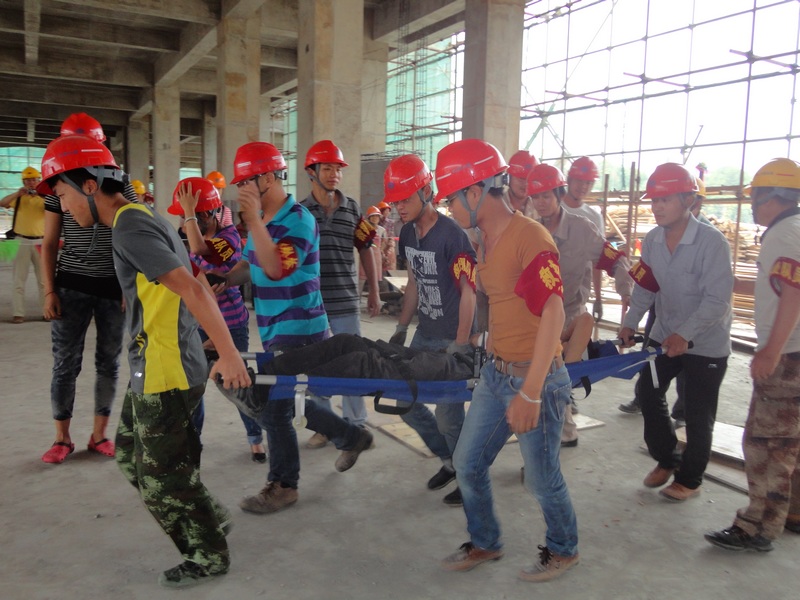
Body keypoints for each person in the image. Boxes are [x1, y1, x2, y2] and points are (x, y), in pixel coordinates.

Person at [39, 133, 251, 588]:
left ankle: (208, 553)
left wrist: (229, 353)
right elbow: (191, 277)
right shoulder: (138, 218)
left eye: (63, 195)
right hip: (152, 363)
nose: (64, 208)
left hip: (166, 369)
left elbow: (192, 288)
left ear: (90, 185)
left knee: (161, 479)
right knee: (130, 455)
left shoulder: (130, 226)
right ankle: (208, 517)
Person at [434, 139, 579, 582]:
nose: (449, 209)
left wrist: (531, 392)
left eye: (451, 199)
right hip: (495, 375)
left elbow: (554, 312)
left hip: (536, 380)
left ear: (474, 192)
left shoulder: (529, 237)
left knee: (540, 478)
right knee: (467, 463)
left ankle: (563, 549)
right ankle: (485, 540)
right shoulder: (483, 240)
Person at [223, 141, 374, 514]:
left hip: (300, 328)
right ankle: (350, 436)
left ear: (267, 178)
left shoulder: (299, 220)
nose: (240, 190)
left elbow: (276, 267)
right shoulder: (263, 221)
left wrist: (253, 220)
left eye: (245, 182)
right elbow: (251, 264)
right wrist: (221, 282)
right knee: (288, 401)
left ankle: (284, 485)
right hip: (273, 326)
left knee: (274, 407)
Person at [619, 162, 733, 502]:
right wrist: (630, 321)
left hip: (705, 343)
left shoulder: (712, 243)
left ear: (688, 200)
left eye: (665, 200)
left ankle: (691, 479)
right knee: (648, 392)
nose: (657, 207)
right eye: (654, 200)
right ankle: (668, 457)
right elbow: (646, 287)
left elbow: (717, 301)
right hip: (664, 334)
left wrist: (685, 334)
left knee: (698, 413)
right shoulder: (652, 240)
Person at [705, 158, 800, 552]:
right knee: (788, 443)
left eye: (755, 196)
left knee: (765, 446)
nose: (751, 204)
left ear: (771, 196)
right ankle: (787, 515)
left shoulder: (783, 235)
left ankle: (758, 526)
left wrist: (771, 351)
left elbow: (794, 293)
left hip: (789, 357)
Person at [38, 113, 135, 464]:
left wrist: (128, 286)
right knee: (65, 362)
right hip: (72, 285)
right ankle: (62, 439)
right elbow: (50, 241)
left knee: (109, 362)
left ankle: (99, 435)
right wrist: (50, 291)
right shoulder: (58, 185)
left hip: (112, 287)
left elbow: (130, 233)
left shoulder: (120, 182)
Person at [384, 154, 477, 506]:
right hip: (425, 332)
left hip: (453, 336)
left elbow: (469, 292)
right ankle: (450, 460)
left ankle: (469, 479)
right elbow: (413, 282)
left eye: (405, 199)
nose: (399, 207)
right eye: (395, 201)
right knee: (405, 402)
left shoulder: (453, 236)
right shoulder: (408, 233)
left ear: (426, 191)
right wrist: (401, 327)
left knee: (449, 416)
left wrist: (461, 342)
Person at [527, 163, 633, 447]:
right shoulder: (529, 229)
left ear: (559, 194)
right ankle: (562, 431)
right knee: (543, 378)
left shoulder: (582, 229)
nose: (541, 203)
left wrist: (626, 292)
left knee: (553, 375)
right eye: (535, 197)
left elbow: (616, 259)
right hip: (536, 317)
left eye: (546, 196)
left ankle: (559, 434)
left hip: (570, 315)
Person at [168, 176, 267, 463]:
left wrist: (189, 212)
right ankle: (193, 440)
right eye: (184, 217)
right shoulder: (186, 236)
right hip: (197, 325)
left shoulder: (229, 238)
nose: (185, 224)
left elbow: (201, 249)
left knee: (238, 383)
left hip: (230, 324)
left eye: (189, 216)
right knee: (193, 386)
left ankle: (255, 439)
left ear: (206, 214)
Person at [300, 139, 380, 446]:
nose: (334, 174)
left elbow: (366, 248)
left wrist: (373, 291)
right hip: (313, 305)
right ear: (312, 171)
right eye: (327, 168)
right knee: (318, 367)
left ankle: (355, 423)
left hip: (346, 302)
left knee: (353, 364)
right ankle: (326, 426)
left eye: (338, 169)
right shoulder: (301, 212)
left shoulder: (353, 209)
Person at [564, 156, 605, 322]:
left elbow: (598, 260)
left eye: (588, 183)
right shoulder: (553, 208)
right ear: (569, 180)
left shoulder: (594, 217)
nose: (583, 187)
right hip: (549, 287)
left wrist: (598, 298)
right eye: (579, 181)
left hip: (577, 295)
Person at [1, 166, 45, 323]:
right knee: (19, 279)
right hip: (21, 241)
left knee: (44, 280)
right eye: (28, 180)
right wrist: (17, 194)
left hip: (41, 241)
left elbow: (59, 208)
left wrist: (42, 194)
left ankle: (46, 311)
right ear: (23, 182)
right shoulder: (19, 199)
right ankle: (18, 313)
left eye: (34, 180)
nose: (31, 183)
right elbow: (2, 203)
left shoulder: (44, 199)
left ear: (39, 181)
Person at [506, 150, 538, 218]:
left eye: (529, 180)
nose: (526, 184)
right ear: (508, 178)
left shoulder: (539, 208)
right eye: (521, 179)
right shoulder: (496, 205)